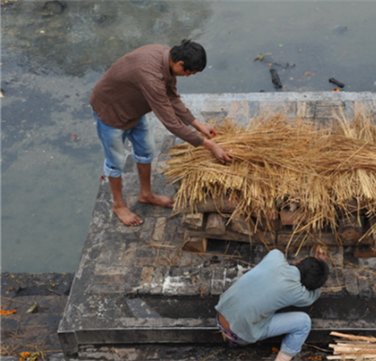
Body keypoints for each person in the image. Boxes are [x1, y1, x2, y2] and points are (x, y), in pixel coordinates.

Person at [90, 39, 231, 226]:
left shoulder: (167, 58)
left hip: (135, 110)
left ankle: (146, 194)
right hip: (112, 113)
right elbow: (171, 123)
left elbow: (172, 97)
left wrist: (199, 126)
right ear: (180, 63)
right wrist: (209, 145)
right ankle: (118, 205)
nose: (188, 76)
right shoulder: (150, 76)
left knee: (146, 152)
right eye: (189, 72)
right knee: (115, 162)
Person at [215, 249, 330, 361]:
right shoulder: (299, 293)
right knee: (304, 323)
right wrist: (319, 282)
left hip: (220, 316)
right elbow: (314, 295)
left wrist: (317, 262)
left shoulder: (275, 256)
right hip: (239, 335)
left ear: (300, 261)